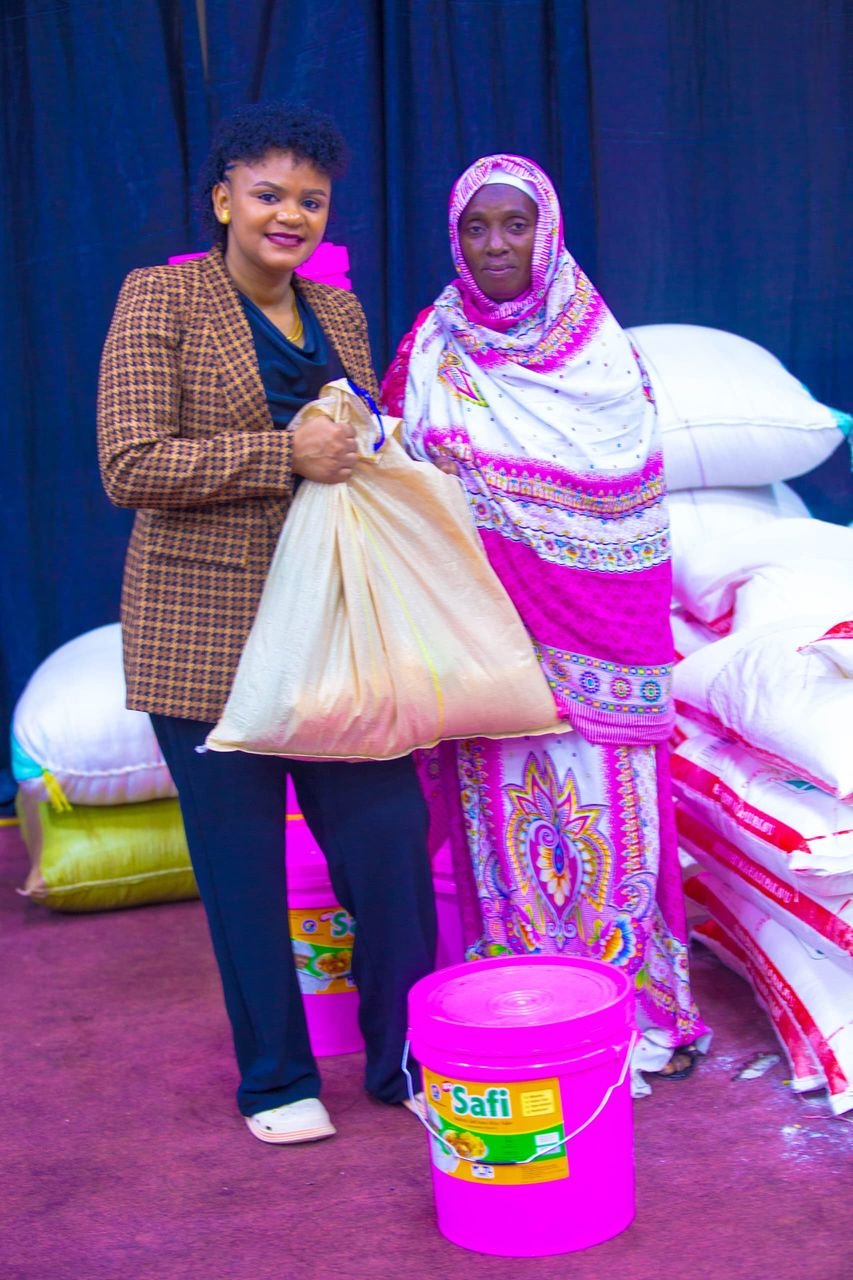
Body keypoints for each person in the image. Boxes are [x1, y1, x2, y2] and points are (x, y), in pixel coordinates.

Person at [97, 102, 436, 1144]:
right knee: (243, 874)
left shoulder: (340, 312)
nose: (288, 214)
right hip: (204, 642)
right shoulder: (161, 300)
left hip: (332, 633)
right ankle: (277, 1079)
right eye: (268, 193)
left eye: (310, 199)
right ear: (222, 199)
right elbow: (129, 463)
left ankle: (405, 1063)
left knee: (388, 845)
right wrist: (279, 453)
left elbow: (355, 454)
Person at [382, 154, 709, 1087]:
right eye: (476, 228)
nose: (494, 246)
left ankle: (639, 1016)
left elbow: (627, 494)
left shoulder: (602, 352)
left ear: (547, 231)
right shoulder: (434, 344)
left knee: (612, 831)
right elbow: (402, 471)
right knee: (506, 844)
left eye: (513, 226)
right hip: (486, 650)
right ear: (455, 236)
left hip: (599, 642)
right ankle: (526, 1017)